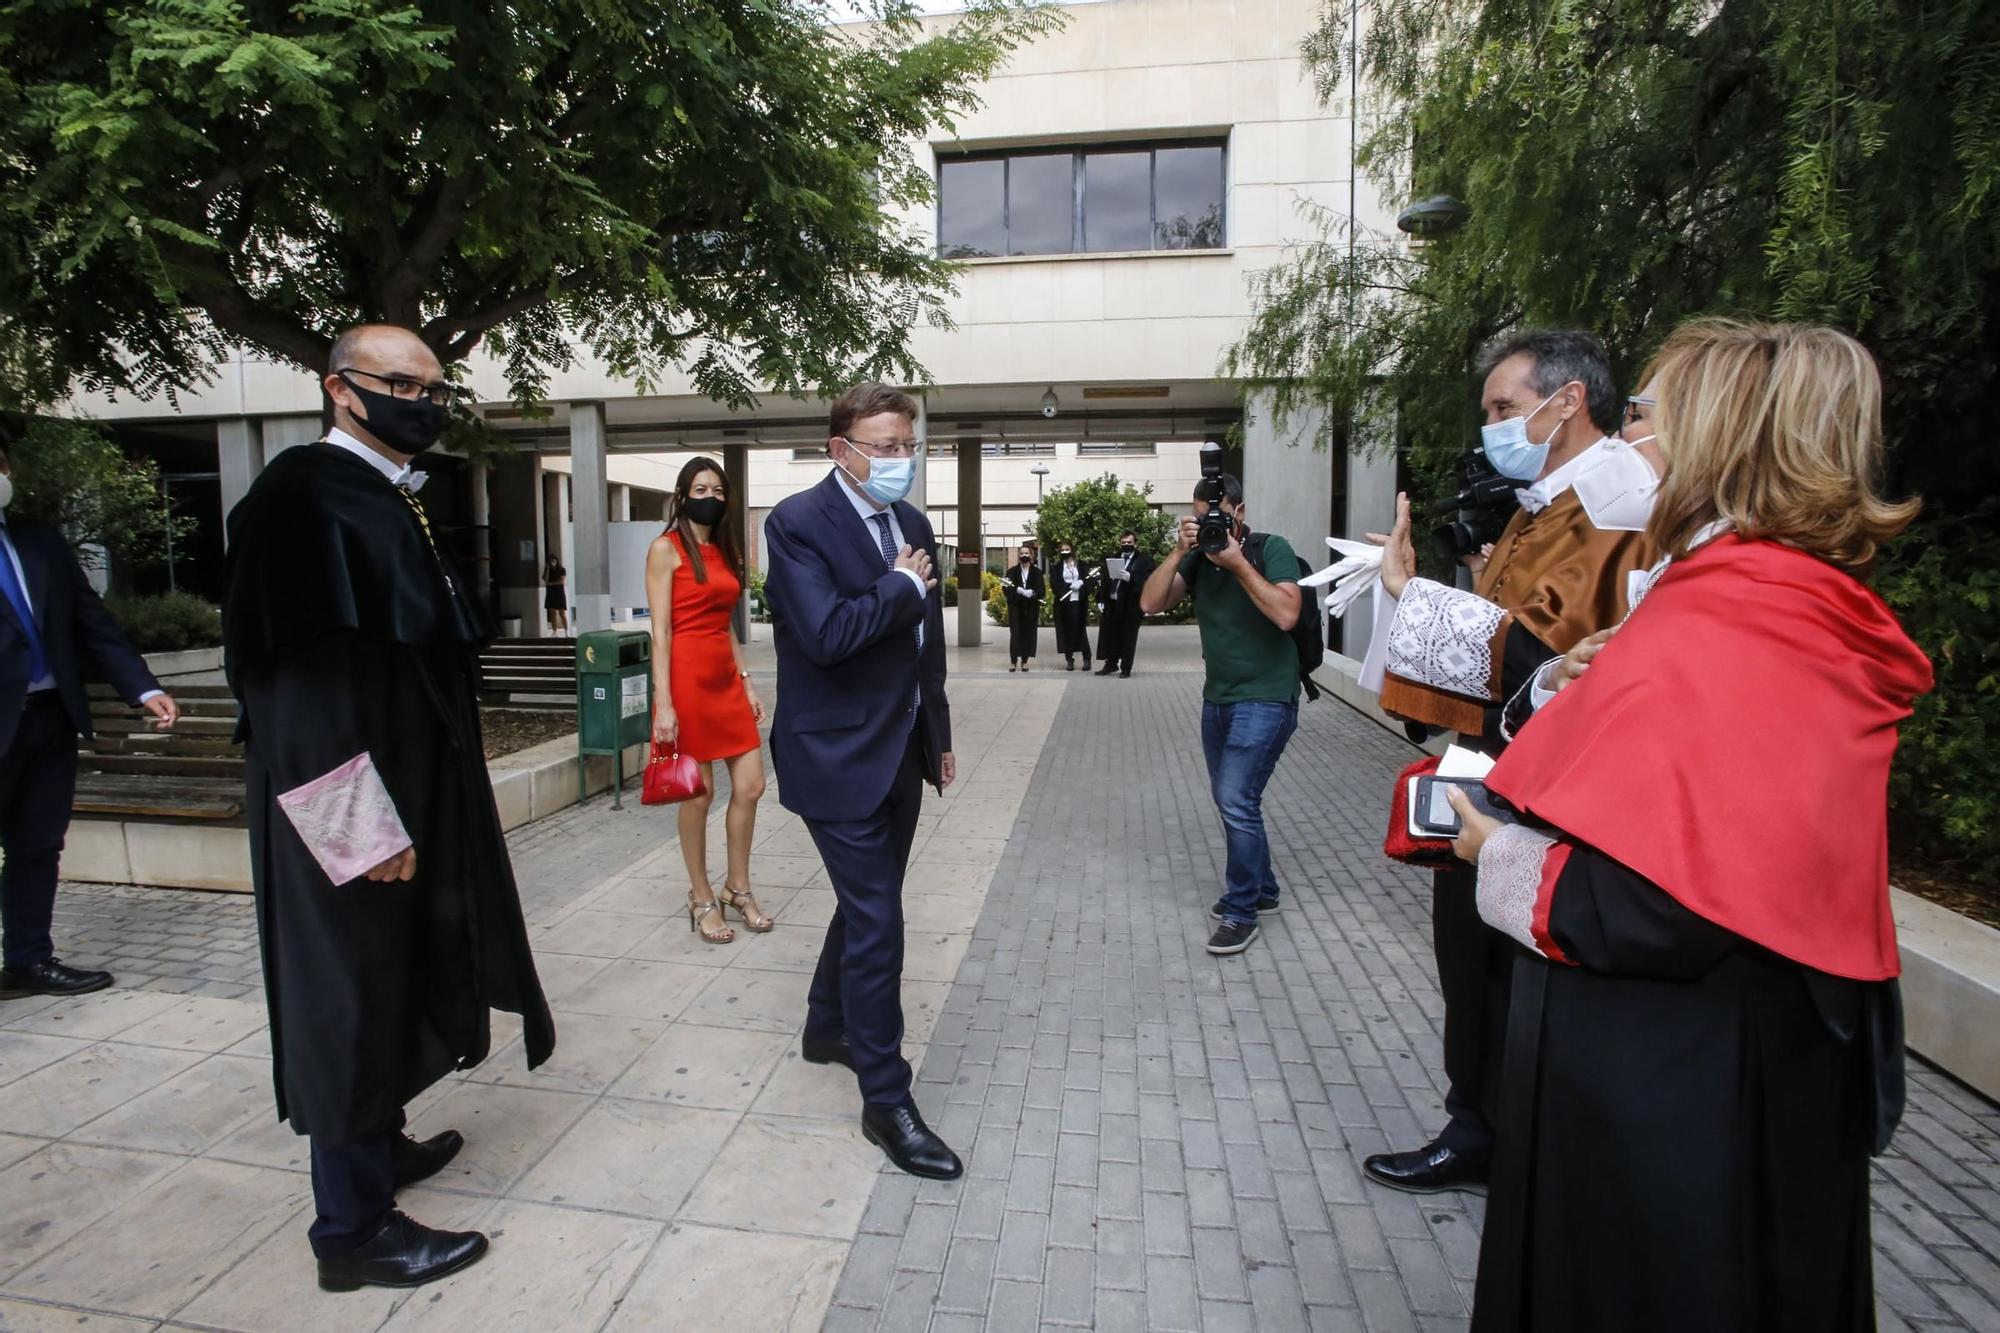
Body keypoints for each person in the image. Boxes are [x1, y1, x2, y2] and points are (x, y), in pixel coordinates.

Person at [1447, 318, 1926, 1332]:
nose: (1620, 444)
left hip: (1673, 1089)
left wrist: (1496, 855)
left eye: (1638, 418)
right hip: (1725, 1062)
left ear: (1715, 442)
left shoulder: (1735, 617)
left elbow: (1653, 903)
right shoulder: (1771, 598)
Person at [223, 323, 555, 1291]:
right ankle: (352, 1229)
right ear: (341, 389)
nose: (425, 401)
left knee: (394, 974)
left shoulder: (379, 494)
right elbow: (293, 683)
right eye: (401, 383)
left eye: (437, 387)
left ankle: (380, 1139)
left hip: (405, 797)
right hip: (349, 811)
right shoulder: (300, 497)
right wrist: (355, 828)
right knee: (349, 994)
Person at [1363, 329, 1660, 1196]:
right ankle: (1481, 1116)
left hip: (1551, 785)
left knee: (1507, 964)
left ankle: (1500, 1131)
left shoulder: (1615, 502)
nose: (1493, 425)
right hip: (1498, 766)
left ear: (1568, 402)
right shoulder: (1547, 498)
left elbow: (1547, 652)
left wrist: (1405, 596)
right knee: (1471, 957)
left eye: (1504, 407)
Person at [761, 382, 962, 1180]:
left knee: (864, 901)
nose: (899, 460)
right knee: (880, 918)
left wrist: (937, 732)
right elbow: (825, 634)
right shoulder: (796, 523)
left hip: (903, 747)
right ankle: (887, 1098)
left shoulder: (911, 524)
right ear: (838, 448)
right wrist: (901, 585)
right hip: (835, 754)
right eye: (883, 446)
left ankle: (826, 1025)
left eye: (908, 445)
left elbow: (925, 645)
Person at [0, 444, 179, 999]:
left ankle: (27, 960)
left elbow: (90, 621)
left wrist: (142, 686)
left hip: (49, 718)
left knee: (38, 844)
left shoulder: (37, 540)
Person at [1139, 468, 1302, 956]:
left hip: (1269, 697)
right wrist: (1179, 551)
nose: (1210, 524)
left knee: (1235, 798)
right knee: (1236, 799)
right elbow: (1149, 604)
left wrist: (1236, 563)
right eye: (1201, 516)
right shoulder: (1196, 560)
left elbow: (1286, 613)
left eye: (1219, 516)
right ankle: (1265, 888)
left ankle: (1241, 910)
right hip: (1219, 700)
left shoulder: (1270, 549)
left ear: (1240, 513)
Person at [645, 456, 772, 944]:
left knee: (752, 786)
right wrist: (665, 704)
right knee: (698, 795)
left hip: (724, 679)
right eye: (701, 489)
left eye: (719, 491)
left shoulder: (724, 551)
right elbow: (660, 631)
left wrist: (746, 681)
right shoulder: (665, 549)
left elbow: (725, 625)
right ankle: (700, 896)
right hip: (686, 683)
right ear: (681, 495)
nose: (711, 498)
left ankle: (737, 887)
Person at [1095, 529, 1155, 677]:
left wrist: (1132, 578)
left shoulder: (1144, 560)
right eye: (1123, 543)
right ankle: (1110, 664)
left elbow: (1150, 581)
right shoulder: (1113, 558)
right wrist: (1101, 599)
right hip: (1113, 604)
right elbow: (1105, 580)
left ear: (1135, 543)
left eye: (1129, 542)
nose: (1126, 545)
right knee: (1111, 635)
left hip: (1131, 606)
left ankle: (1126, 668)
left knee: (1128, 637)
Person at [1051, 543, 1094, 670]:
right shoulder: (1057, 567)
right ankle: (1069, 659)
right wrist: (1067, 587)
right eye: (1062, 550)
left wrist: (1081, 582)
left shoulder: (1081, 565)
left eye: (1067, 549)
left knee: (1081, 630)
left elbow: (1089, 580)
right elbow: (1054, 583)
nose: (1065, 552)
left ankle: (1087, 659)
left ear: (1072, 550)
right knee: (1066, 631)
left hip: (1079, 602)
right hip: (1064, 603)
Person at [1001, 544, 1043, 671]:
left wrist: (1033, 593)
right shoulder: (1011, 572)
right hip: (1016, 607)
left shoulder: (1037, 572)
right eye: (1022, 553)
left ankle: (1025, 661)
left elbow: (1041, 589)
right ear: (1019, 556)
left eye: (1026, 553)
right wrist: (1018, 590)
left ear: (1031, 555)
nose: (1024, 556)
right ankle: (1013, 661)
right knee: (1015, 634)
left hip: (1031, 607)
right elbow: (1005, 588)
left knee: (1028, 633)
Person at [543, 554, 569, 636]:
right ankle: (554, 631)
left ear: (557, 561)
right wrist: (547, 568)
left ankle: (566, 631)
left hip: (559, 593)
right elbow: (545, 580)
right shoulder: (548, 570)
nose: (552, 562)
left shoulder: (562, 569)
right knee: (552, 612)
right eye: (550, 561)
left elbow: (561, 581)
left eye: (554, 560)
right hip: (550, 593)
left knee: (562, 613)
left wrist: (550, 584)